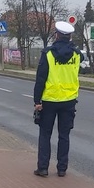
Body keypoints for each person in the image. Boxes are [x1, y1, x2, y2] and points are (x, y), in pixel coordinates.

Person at [33, 21, 83, 178]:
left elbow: (40, 79)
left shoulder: (48, 54)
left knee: (45, 135)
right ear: (70, 36)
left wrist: (37, 101)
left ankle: (43, 168)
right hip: (68, 101)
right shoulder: (77, 54)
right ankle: (62, 169)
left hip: (49, 100)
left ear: (56, 35)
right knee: (64, 135)